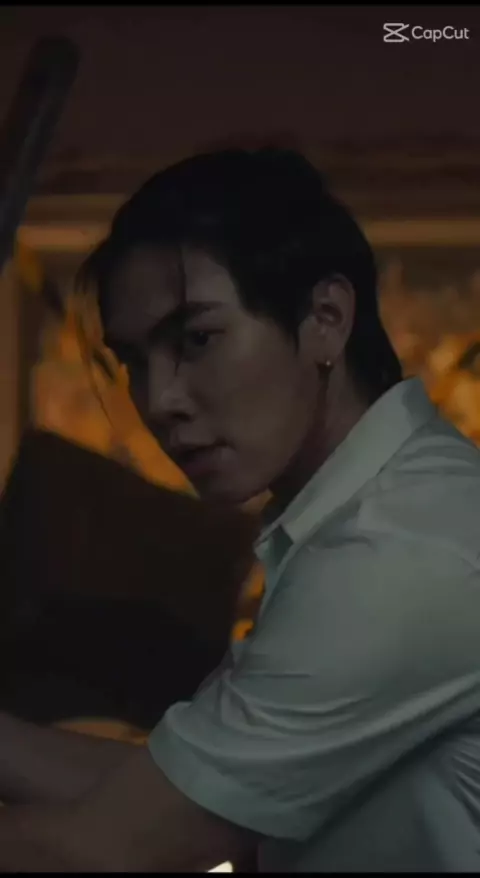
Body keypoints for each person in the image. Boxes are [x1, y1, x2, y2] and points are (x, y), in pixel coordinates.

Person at [1, 147, 480, 872]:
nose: (158, 400)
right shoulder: (359, 520)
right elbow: (175, 791)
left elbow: (104, 847)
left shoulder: (396, 549)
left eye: (197, 340)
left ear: (326, 319)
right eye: (134, 362)